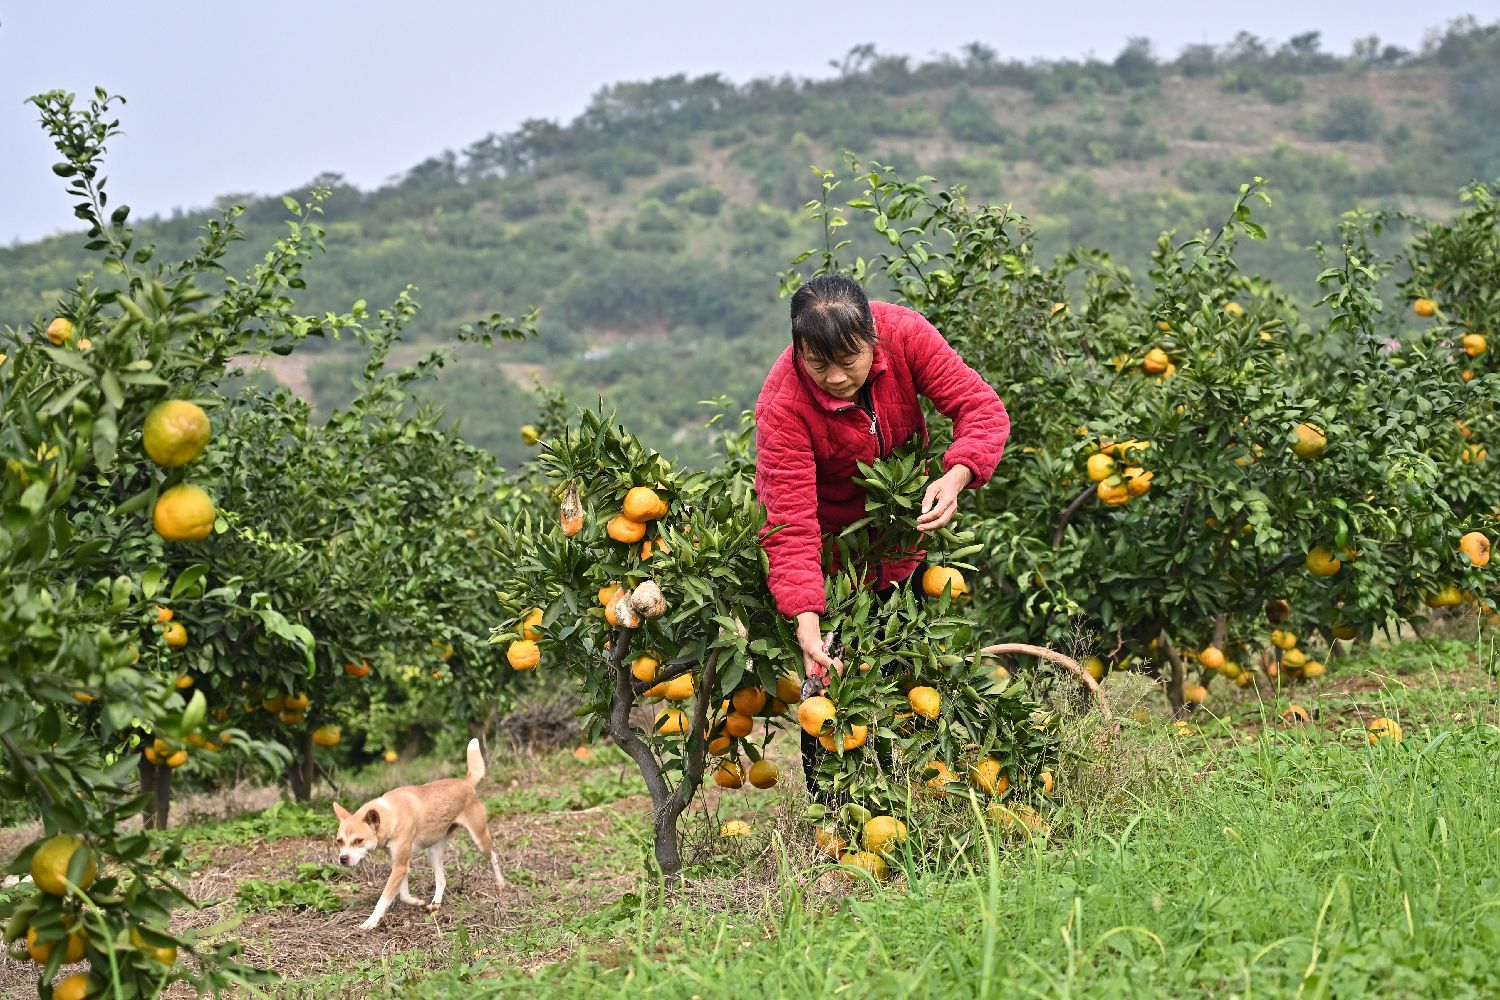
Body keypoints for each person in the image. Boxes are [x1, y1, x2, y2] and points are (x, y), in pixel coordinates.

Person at [752, 275, 1010, 792]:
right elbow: (790, 523)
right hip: (834, 560)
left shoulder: (905, 333)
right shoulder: (783, 405)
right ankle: (834, 819)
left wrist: (957, 474)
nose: (835, 378)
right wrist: (806, 614)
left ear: (873, 336)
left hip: (902, 538)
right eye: (818, 364)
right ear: (798, 348)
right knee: (831, 694)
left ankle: (918, 799)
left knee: (912, 677)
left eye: (849, 360)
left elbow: (980, 408)